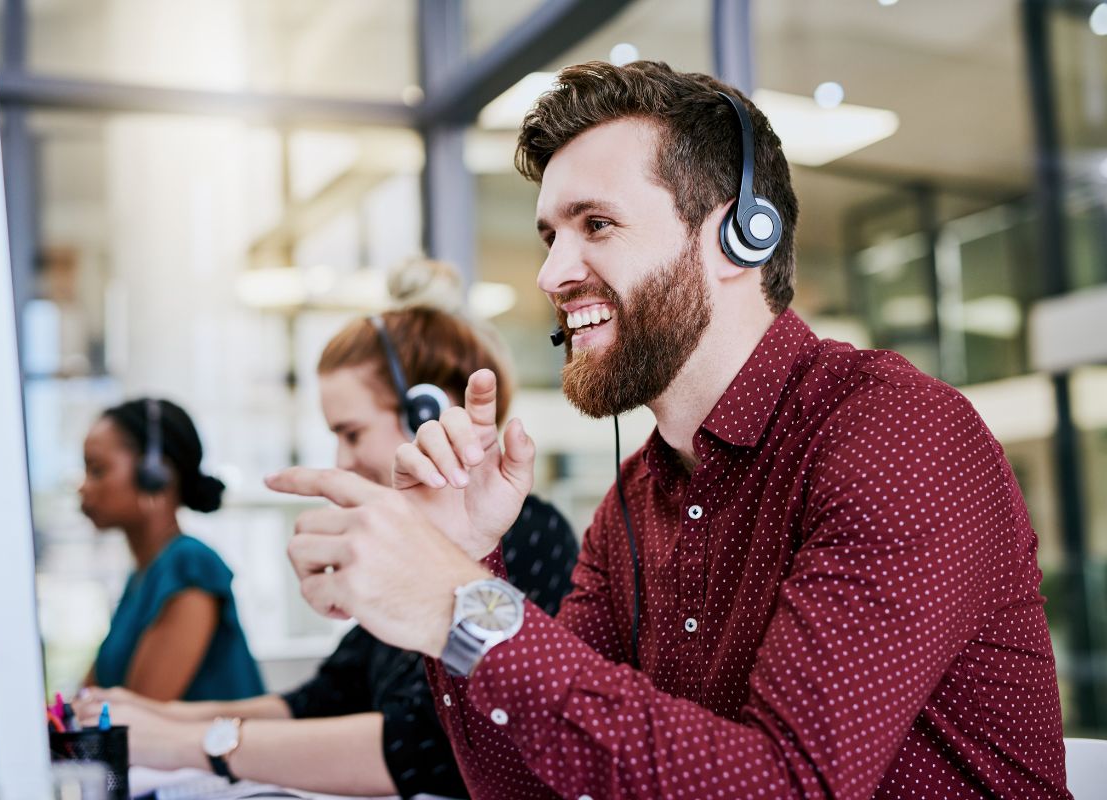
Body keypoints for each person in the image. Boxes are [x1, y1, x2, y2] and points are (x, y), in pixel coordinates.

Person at [267, 61, 1071, 799]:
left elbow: (789, 787)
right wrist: (469, 563)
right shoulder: (633, 502)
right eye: (551, 235)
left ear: (737, 237)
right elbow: (525, 790)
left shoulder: (896, 434)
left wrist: (462, 606)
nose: (551, 275)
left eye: (597, 224)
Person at [77, 270, 579, 798]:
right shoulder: (412, 548)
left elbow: (421, 749)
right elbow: (323, 698)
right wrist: (159, 717)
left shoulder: (525, 535)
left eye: (352, 432)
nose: (342, 460)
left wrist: (193, 742)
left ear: (426, 414)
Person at [80, 398, 264, 702]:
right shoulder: (142, 576)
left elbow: (139, 714)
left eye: (97, 470)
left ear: (155, 474)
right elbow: (88, 699)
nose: (84, 487)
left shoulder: (189, 565)